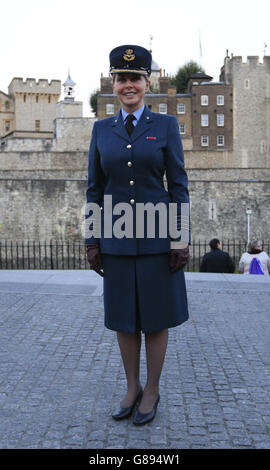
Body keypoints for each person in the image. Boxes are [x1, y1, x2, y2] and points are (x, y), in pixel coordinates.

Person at [85, 45, 191, 426]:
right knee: (123, 318)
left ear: (148, 83)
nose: (128, 85)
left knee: (156, 318)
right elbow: (94, 188)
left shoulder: (163, 127)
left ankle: (152, 389)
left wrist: (180, 237)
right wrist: (92, 240)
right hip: (115, 238)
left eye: (135, 78)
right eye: (121, 78)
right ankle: (131, 387)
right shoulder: (101, 129)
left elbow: (178, 184)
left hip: (157, 237)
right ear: (113, 83)